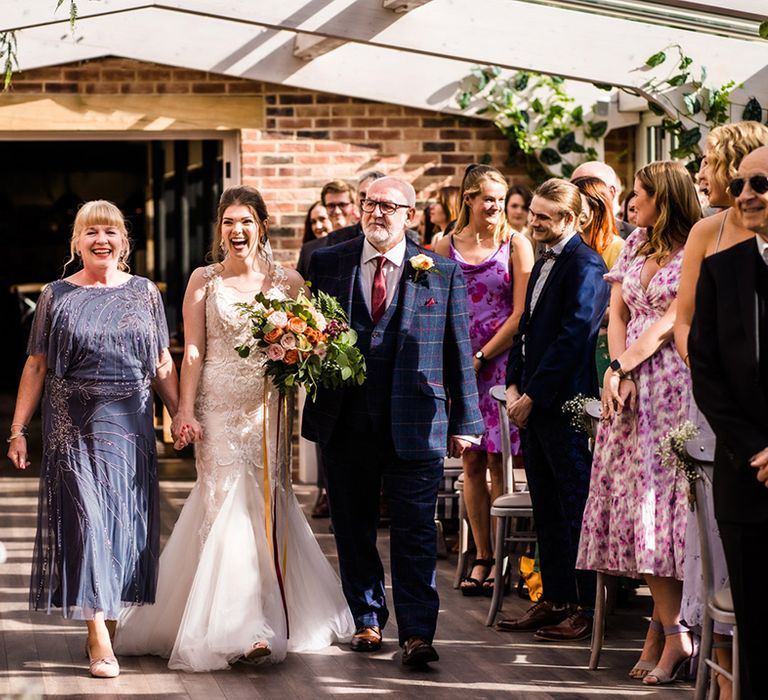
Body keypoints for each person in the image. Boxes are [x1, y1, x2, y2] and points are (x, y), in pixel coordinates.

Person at [114, 186, 355, 671]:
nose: (237, 231)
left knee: (265, 507)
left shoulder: (288, 281)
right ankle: (243, 628)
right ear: (220, 229)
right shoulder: (204, 280)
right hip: (218, 408)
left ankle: (266, 614)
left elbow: (314, 344)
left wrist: (305, 354)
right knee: (224, 506)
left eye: (245, 221)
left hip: (268, 412)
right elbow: (195, 350)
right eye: (228, 222)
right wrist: (183, 411)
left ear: (262, 225)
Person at [302, 176, 484, 666]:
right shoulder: (327, 263)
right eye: (370, 203)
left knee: (415, 532)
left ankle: (418, 632)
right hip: (346, 420)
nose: (376, 213)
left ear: (410, 214)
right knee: (352, 527)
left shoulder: (440, 272)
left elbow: (458, 350)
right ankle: (366, 619)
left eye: (388, 206)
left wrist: (467, 419)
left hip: (417, 421)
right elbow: (307, 335)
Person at [6, 200, 179, 679]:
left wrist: (180, 413)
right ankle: (97, 633)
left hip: (131, 427)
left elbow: (161, 362)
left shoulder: (145, 293)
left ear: (124, 242)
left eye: (110, 232)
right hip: (72, 428)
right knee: (84, 523)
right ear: (76, 243)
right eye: (91, 232)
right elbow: (37, 364)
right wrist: (18, 429)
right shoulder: (55, 296)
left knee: (122, 526)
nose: (101, 240)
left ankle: (105, 615)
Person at [577, 161, 701, 685]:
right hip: (629, 384)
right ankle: (665, 632)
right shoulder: (635, 243)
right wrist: (616, 369)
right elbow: (619, 312)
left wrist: (624, 365)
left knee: (665, 513)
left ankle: (672, 636)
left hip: (673, 383)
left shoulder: (695, 244)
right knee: (636, 510)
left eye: (640, 194)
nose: (630, 201)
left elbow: (674, 320)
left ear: (664, 198)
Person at [674, 122, 768, 700]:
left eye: (760, 182)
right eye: (739, 184)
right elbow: (706, 371)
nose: (746, 194)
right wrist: (756, 447)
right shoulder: (722, 270)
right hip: (748, 479)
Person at [498, 178, 609, 641]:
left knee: (573, 505)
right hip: (531, 400)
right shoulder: (543, 258)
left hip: (561, 403)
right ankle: (554, 598)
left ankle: (582, 608)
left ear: (570, 219)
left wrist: (533, 395)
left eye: (544, 216)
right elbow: (526, 325)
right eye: (532, 213)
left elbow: (573, 336)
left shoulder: (586, 264)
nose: (532, 221)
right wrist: (512, 381)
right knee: (544, 505)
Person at [434, 166, 533, 596]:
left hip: (499, 362)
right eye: (487, 198)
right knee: (470, 461)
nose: (494, 206)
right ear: (468, 200)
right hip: (457, 366)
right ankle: (482, 555)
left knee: (499, 462)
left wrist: (481, 355)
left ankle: (505, 560)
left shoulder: (516, 244)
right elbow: (433, 307)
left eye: (500, 198)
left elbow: (521, 313)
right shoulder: (443, 245)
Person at [573, 175, 626, 384]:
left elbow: (619, 310)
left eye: (577, 204)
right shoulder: (572, 246)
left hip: (603, 345)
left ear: (595, 207)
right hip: (575, 344)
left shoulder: (617, 248)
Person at [296, 173, 384, 281]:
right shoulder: (310, 249)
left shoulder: (372, 237)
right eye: (331, 205)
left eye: (342, 205)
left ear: (354, 204)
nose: (337, 211)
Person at [571, 160, 635, 239]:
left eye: (590, 187)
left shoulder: (634, 235)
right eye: (575, 187)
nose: (580, 196)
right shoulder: (562, 235)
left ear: (611, 192)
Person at [505, 184, 537, 256]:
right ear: (505, 207)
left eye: (524, 207)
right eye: (514, 206)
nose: (519, 211)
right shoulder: (497, 234)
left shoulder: (534, 237)